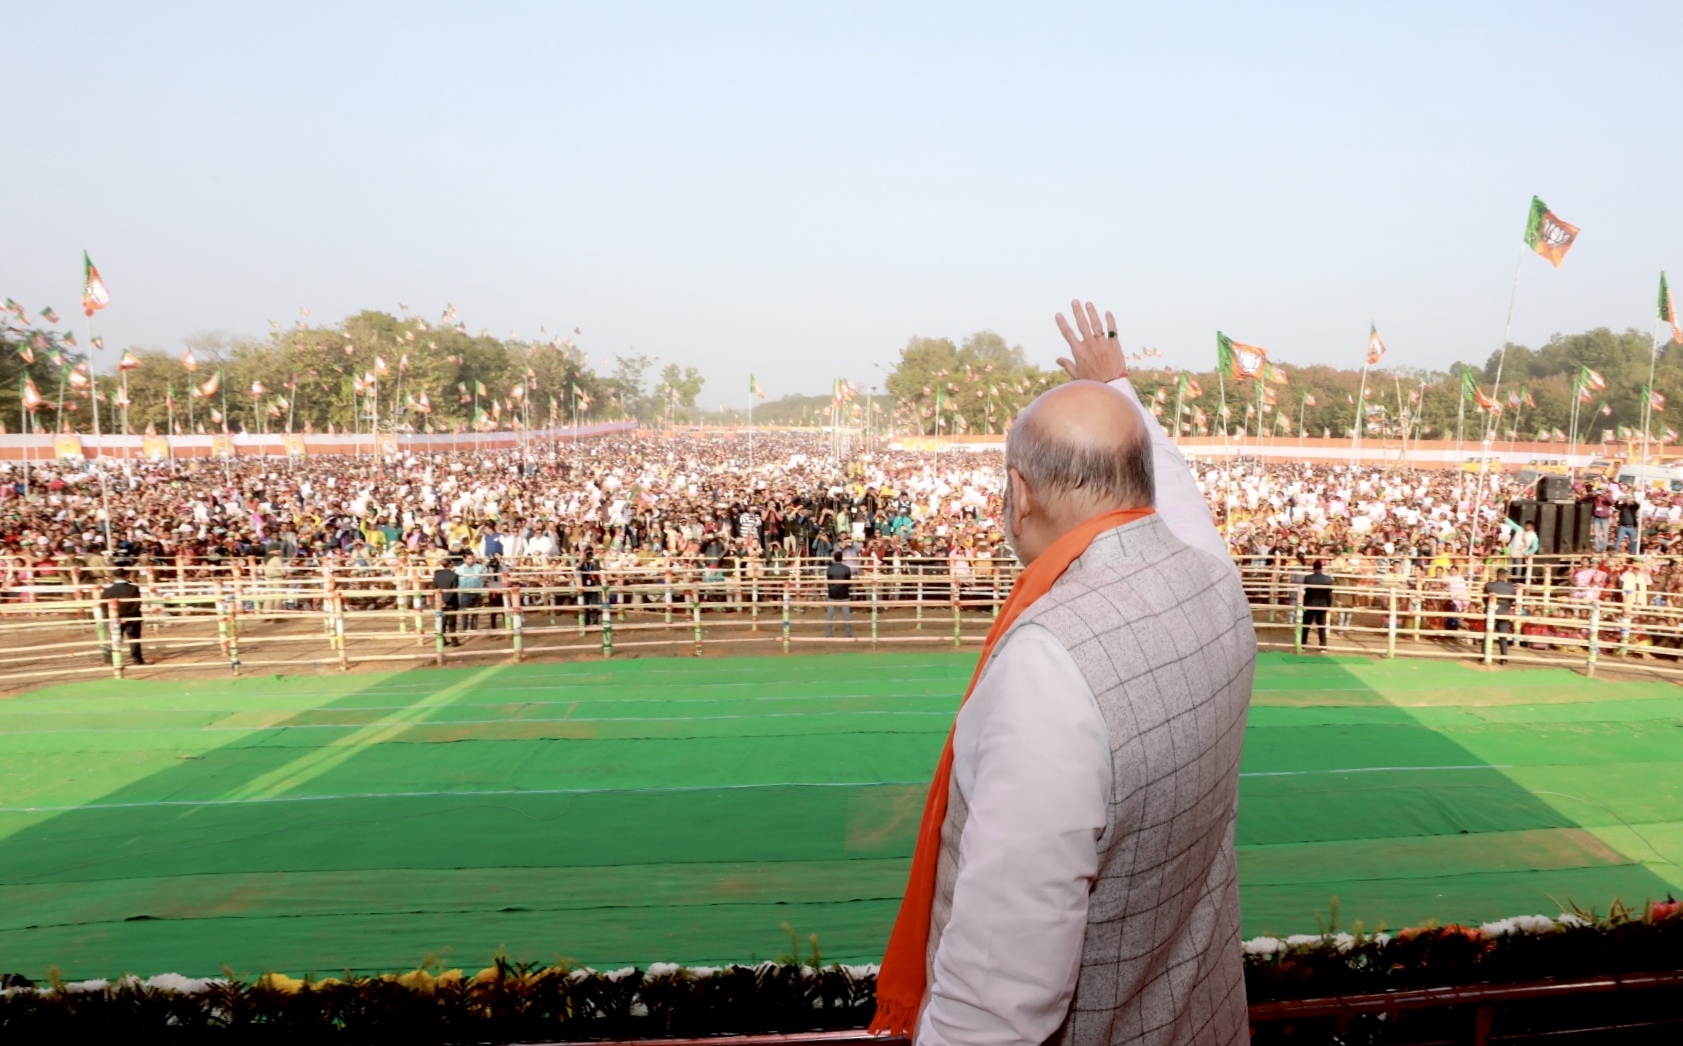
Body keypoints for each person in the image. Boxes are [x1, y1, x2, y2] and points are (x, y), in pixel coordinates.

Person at [874, 300, 1253, 1046]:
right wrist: (1118, 390)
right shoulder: (1216, 582)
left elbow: (1000, 999)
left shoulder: (1050, 665)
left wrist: (1116, 393)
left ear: (1018, 495)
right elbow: (1177, 497)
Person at [99, 568, 146, 665]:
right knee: (134, 639)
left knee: (115, 639)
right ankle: (137, 660)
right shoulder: (133, 588)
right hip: (132, 618)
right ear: (126, 576)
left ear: (114, 577)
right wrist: (128, 615)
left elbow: (104, 606)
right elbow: (137, 604)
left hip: (115, 618)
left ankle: (114, 660)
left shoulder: (108, 591)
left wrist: (112, 617)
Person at [1485, 567, 1518, 664]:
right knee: (1503, 636)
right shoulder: (1511, 587)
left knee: (1488, 634)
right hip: (1504, 612)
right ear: (1505, 576)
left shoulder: (1489, 585)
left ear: (1497, 575)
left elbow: (1485, 599)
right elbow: (1513, 600)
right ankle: (1504, 657)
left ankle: (1485, 655)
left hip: (1492, 611)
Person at [1301, 559, 1333, 648]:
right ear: (1321, 568)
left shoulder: (1308, 578)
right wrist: (1329, 606)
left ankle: (1303, 644)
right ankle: (1323, 645)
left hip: (1310, 604)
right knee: (1321, 627)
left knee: (1306, 626)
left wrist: (1304, 604)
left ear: (1313, 568)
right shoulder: (1328, 579)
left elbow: (1305, 592)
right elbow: (1329, 594)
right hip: (1322, 605)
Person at [432, 555, 461, 646]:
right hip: (451, 601)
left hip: (439, 601)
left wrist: (441, 601)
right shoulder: (454, 575)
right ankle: (454, 641)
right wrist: (446, 601)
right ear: (450, 564)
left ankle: (442, 640)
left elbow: (434, 588)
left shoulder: (437, 574)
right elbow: (454, 589)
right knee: (452, 622)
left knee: (441, 621)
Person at [825, 549, 853, 638]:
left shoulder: (829, 569)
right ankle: (848, 634)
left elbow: (828, 582)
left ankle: (829, 633)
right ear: (842, 558)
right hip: (844, 593)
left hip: (832, 593)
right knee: (846, 614)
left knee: (830, 614)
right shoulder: (847, 569)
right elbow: (849, 583)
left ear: (834, 558)